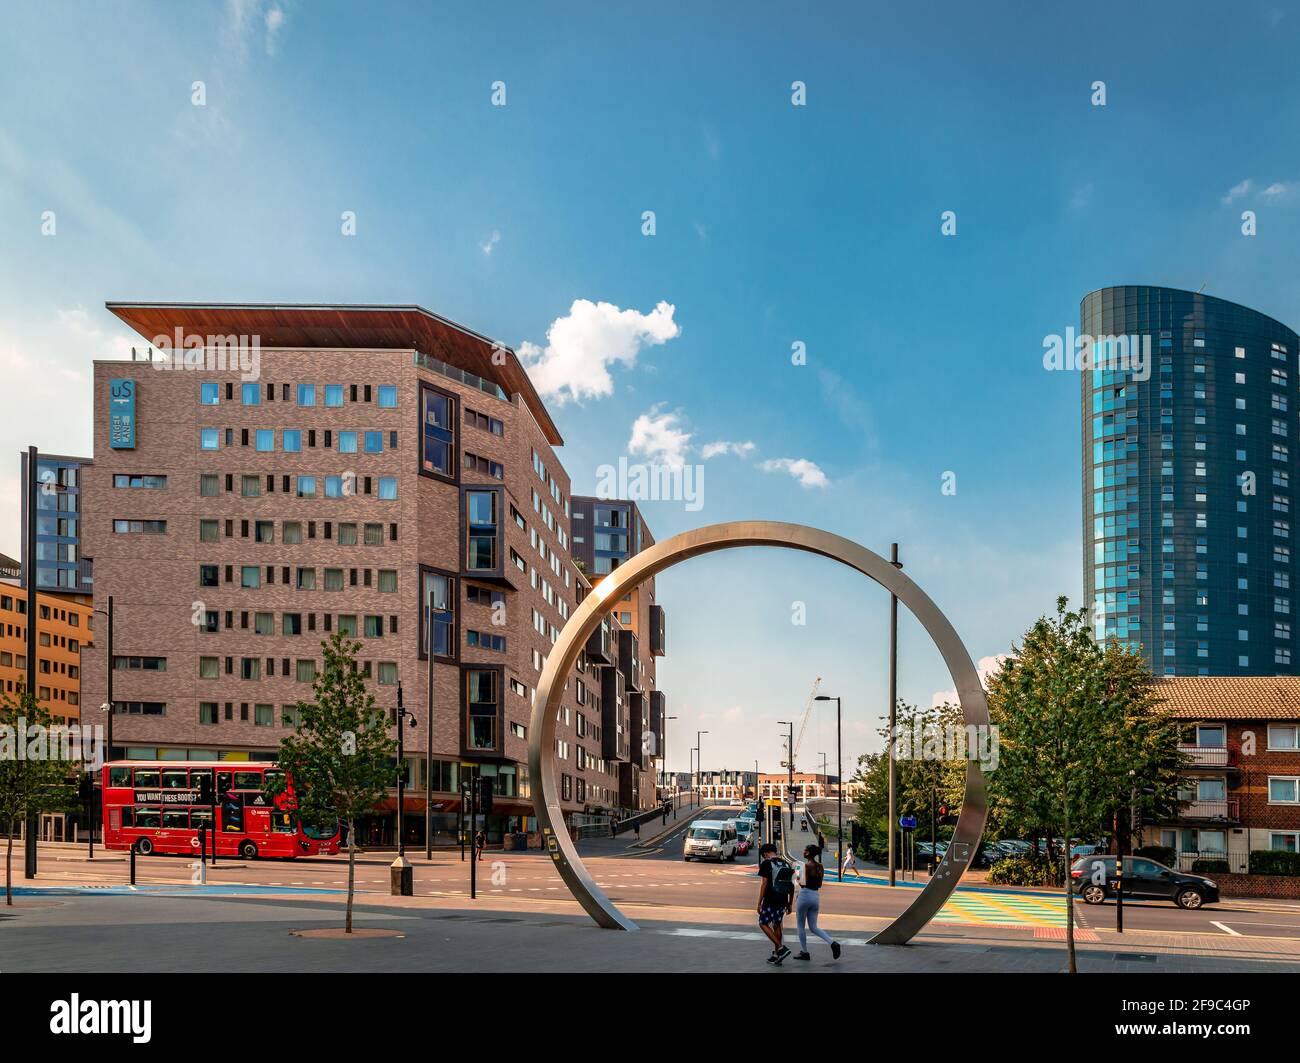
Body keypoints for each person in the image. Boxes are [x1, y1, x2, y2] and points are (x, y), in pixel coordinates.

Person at [793, 844, 841, 961]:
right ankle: (832, 943)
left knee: (800, 925)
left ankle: (804, 952)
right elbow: (819, 884)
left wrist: (796, 872)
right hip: (815, 896)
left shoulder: (803, 866)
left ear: (808, 853)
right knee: (813, 927)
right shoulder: (820, 866)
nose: (803, 852)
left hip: (804, 895)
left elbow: (801, 883)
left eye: (805, 850)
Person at [756, 842, 794, 965]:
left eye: (763, 856)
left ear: (766, 853)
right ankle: (777, 954)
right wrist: (789, 903)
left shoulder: (767, 863)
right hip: (782, 900)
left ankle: (781, 948)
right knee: (777, 925)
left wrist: (759, 902)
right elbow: (791, 885)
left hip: (770, 899)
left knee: (763, 923)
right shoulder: (785, 863)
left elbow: (764, 883)